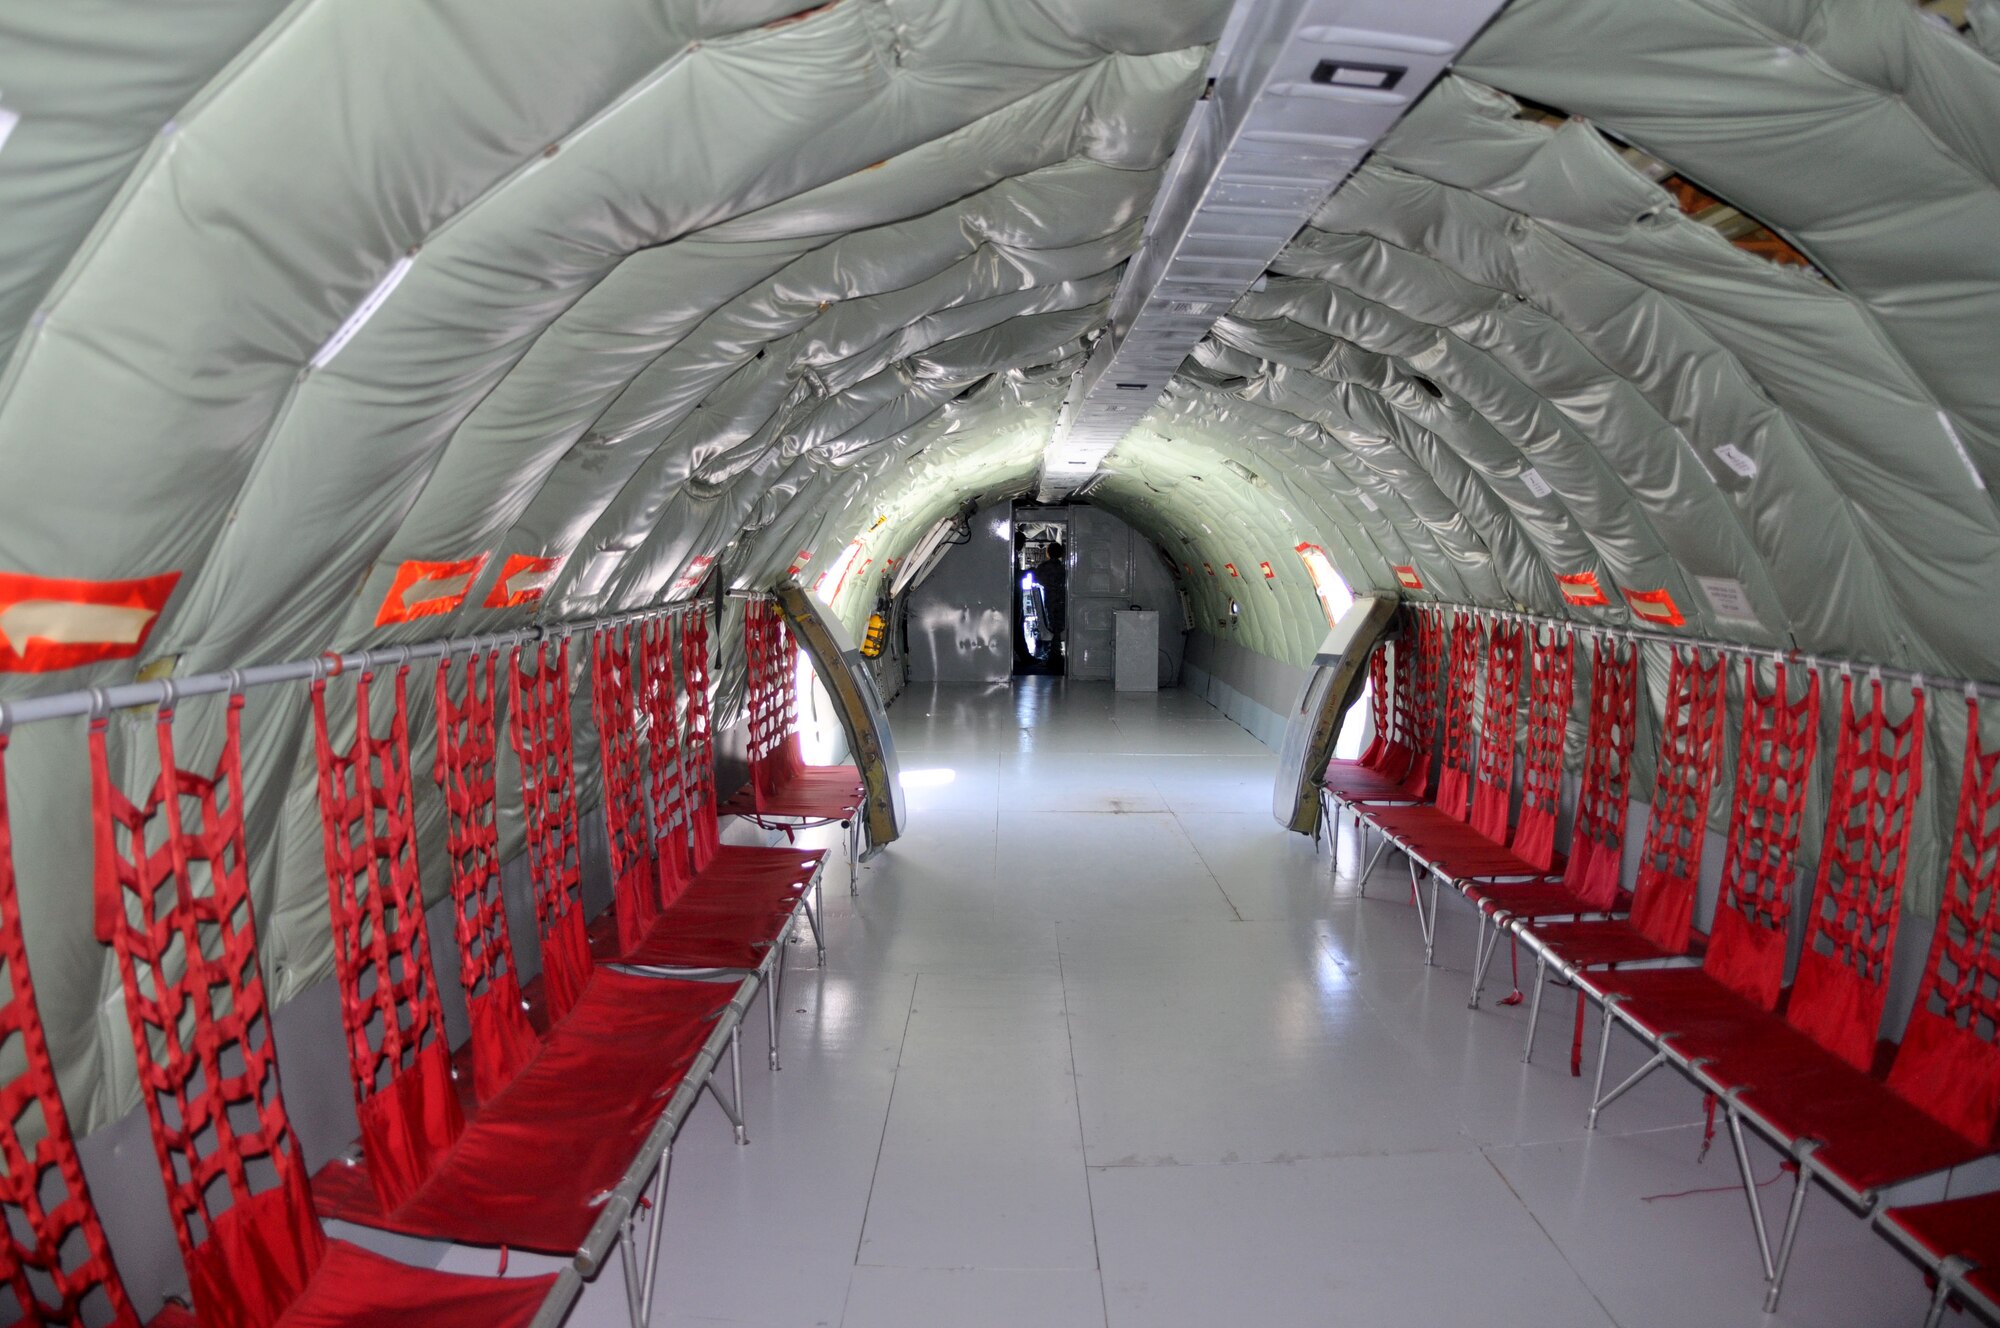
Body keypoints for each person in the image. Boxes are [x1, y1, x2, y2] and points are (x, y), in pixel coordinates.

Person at [1035, 540, 1067, 654]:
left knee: (1052, 624)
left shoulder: (1043, 567)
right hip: (1063, 598)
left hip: (1050, 597)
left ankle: (1053, 652)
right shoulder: (1064, 568)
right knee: (1059, 625)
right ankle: (1056, 651)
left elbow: (1038, 579)